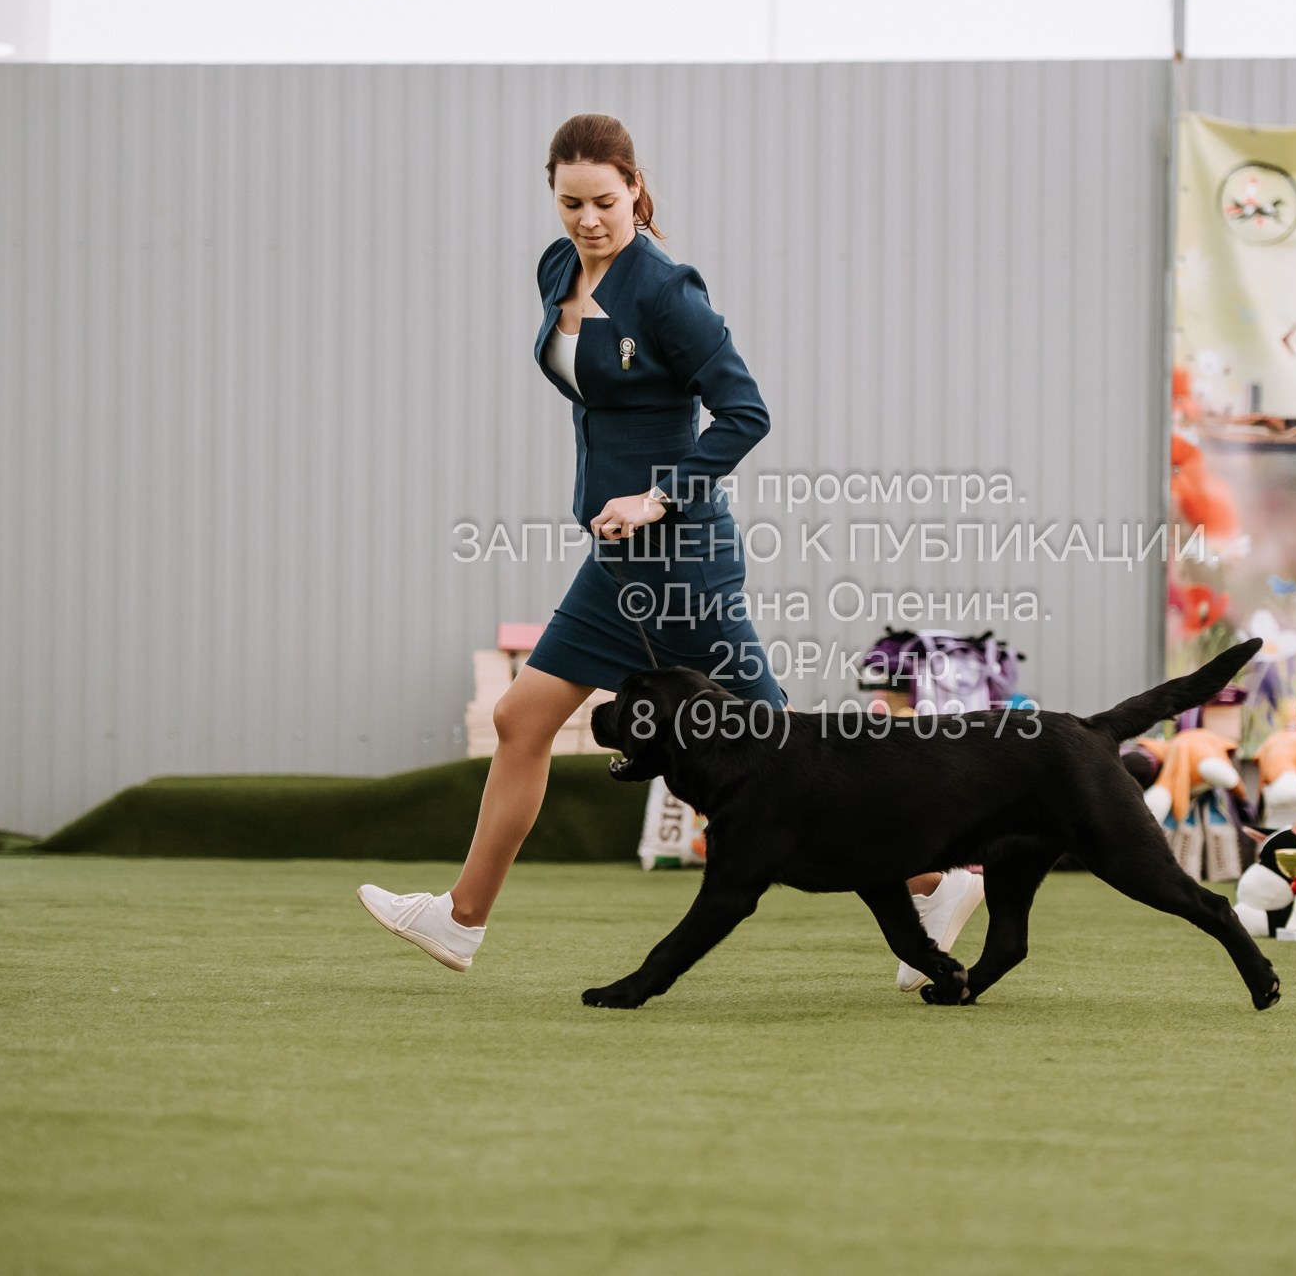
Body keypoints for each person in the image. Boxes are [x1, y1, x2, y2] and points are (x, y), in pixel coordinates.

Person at [357, 113, 981, 986]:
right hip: (616, 566)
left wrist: (657, 494)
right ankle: (462, 920)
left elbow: (745, 412)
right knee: (519, 718)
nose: (587, 220)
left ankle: (934, 878)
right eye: (570, 202)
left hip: (683, 562)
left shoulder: (666, 290)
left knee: (787, 764)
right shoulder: (557, 268)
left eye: (604, 201)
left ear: (635, 188)